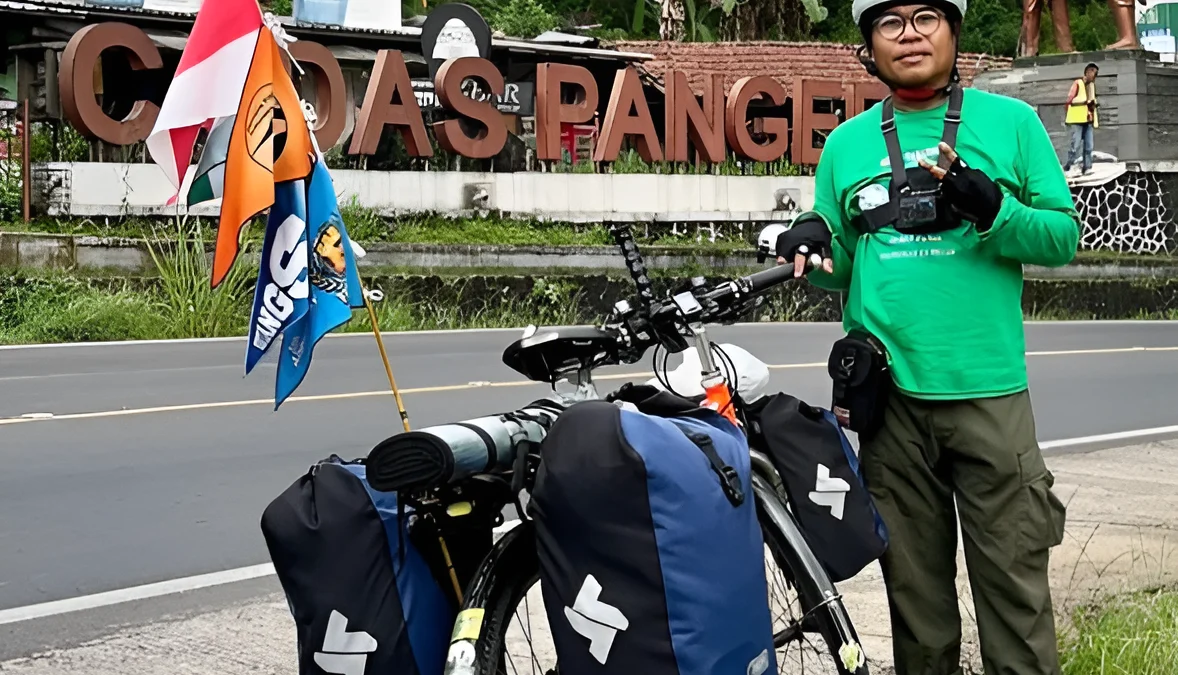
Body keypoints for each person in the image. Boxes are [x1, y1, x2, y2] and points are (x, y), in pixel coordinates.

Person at [773, 0, 1081, 673]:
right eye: (889, 22)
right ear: (869, 44)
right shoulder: (848, 145)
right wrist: (811, 250)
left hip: (988, 395)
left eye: (924, 17)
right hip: (890, 408)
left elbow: (1062, 238)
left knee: (1017, 606)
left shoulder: (1013, 124)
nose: (908, 34)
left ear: (954, 30)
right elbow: (842, 267)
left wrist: (995, 209)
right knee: (918, 614)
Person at [1062, 63, 1099, 176]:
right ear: (1087, 72)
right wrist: (1084, 102)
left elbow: (1092, 99)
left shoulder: (1092, 86)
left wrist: (1093, 104)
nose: (1094, 76)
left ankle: (1087, 167)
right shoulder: (1077, 83)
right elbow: (1069, 100)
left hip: (1088, 119)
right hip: (1077, 119)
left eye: (1096, 74)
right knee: (1075, 145)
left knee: (1089, 146)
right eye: (1093, 73)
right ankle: (1069, 166)